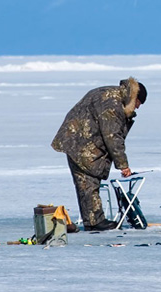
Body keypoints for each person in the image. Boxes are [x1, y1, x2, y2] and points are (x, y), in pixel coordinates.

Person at [51, 77, 147, 231]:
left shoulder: (112, 94)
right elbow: (112, 136)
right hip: (80, 142)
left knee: (85, 182)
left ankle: (93, 220)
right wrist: (123, 165)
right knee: (88, 181)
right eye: (138, 104)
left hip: (77, 139)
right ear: (135, 98)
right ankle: (95, 221)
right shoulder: (112, 103)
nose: (137, 108)